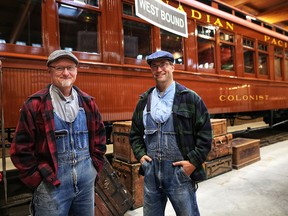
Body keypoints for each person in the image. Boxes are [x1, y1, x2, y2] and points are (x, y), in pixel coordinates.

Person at [10, 50, 106, 216]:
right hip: (51, 185)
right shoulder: (35, 105)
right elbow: (21, 149)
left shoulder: (88, 103)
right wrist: (37, 181)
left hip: (85, 184)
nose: (66, 73)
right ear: (50, 71)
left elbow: (100, 139)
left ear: (76, 70)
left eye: (70, 67)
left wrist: (93, 169)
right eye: (59, 68)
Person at [129, 50, 212, 216]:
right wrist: (140, 156)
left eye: (163, 65)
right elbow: (135, 133)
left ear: (172, 67)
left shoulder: (190, 98)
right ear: (151, 70)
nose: (159, 69)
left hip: (179, 174)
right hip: (152, 173)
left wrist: (192, 163)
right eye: (154, 66)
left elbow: (206, 135)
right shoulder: (144, 100)